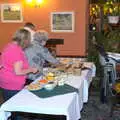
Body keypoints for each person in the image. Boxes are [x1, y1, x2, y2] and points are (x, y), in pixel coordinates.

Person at [0, 28, 38, 101]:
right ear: (25, 40)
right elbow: (18, 72)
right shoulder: (17, 51)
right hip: (13, 84)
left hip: (5, 80)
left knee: (9, 103)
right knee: (15, 107)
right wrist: (31, 69)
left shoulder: (9, 45)